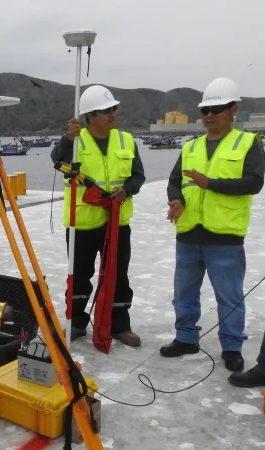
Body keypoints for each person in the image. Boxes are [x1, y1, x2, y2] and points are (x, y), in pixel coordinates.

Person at [160, 78, 265, 372]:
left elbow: (254, 182)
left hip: (225, 236)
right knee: (184, 292)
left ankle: (231, 347)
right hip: (189, 233)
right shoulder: (191, 147)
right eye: (206, 110)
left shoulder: (248, 143)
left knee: (229, 296)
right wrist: (176, 200)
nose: (210, 116)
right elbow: (174, 182)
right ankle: (185, 338)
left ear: (234, 110)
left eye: (217, 109)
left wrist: (211, 184)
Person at [51, 85, 146, 346]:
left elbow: (138, 176)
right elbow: (57, 159)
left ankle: (120, 325)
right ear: (90, 115)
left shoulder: (126, 140)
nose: (112, 114)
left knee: (117, 274)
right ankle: (77, 323)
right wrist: (67, 139)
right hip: (81, 223)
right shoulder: (75, 139)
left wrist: (126, 190)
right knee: (79, 275)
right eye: (106, 110)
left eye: (114, 108)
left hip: (117, 222)